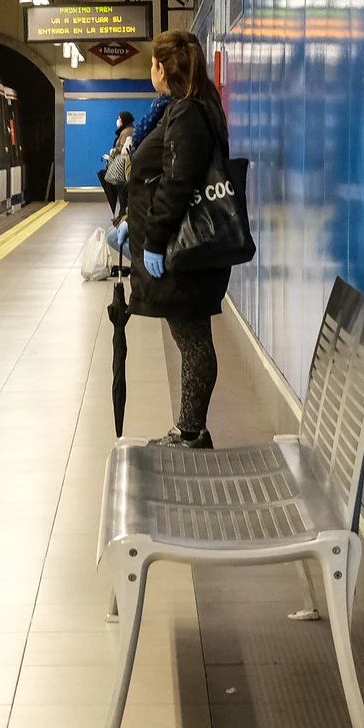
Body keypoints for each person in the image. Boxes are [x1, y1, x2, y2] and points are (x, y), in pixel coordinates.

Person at [106, 30, 232, 448]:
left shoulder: (187, 114)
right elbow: (160, 175)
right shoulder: (180, 109)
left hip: (182, 249)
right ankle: (189, 427)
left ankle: (192, 431)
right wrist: (133, 222)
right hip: (177, 246)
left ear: (163, 69)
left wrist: (155, 241)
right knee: (190, 337)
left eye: (152, 65)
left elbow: (178, 182)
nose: (150, 72)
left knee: (192, 339)